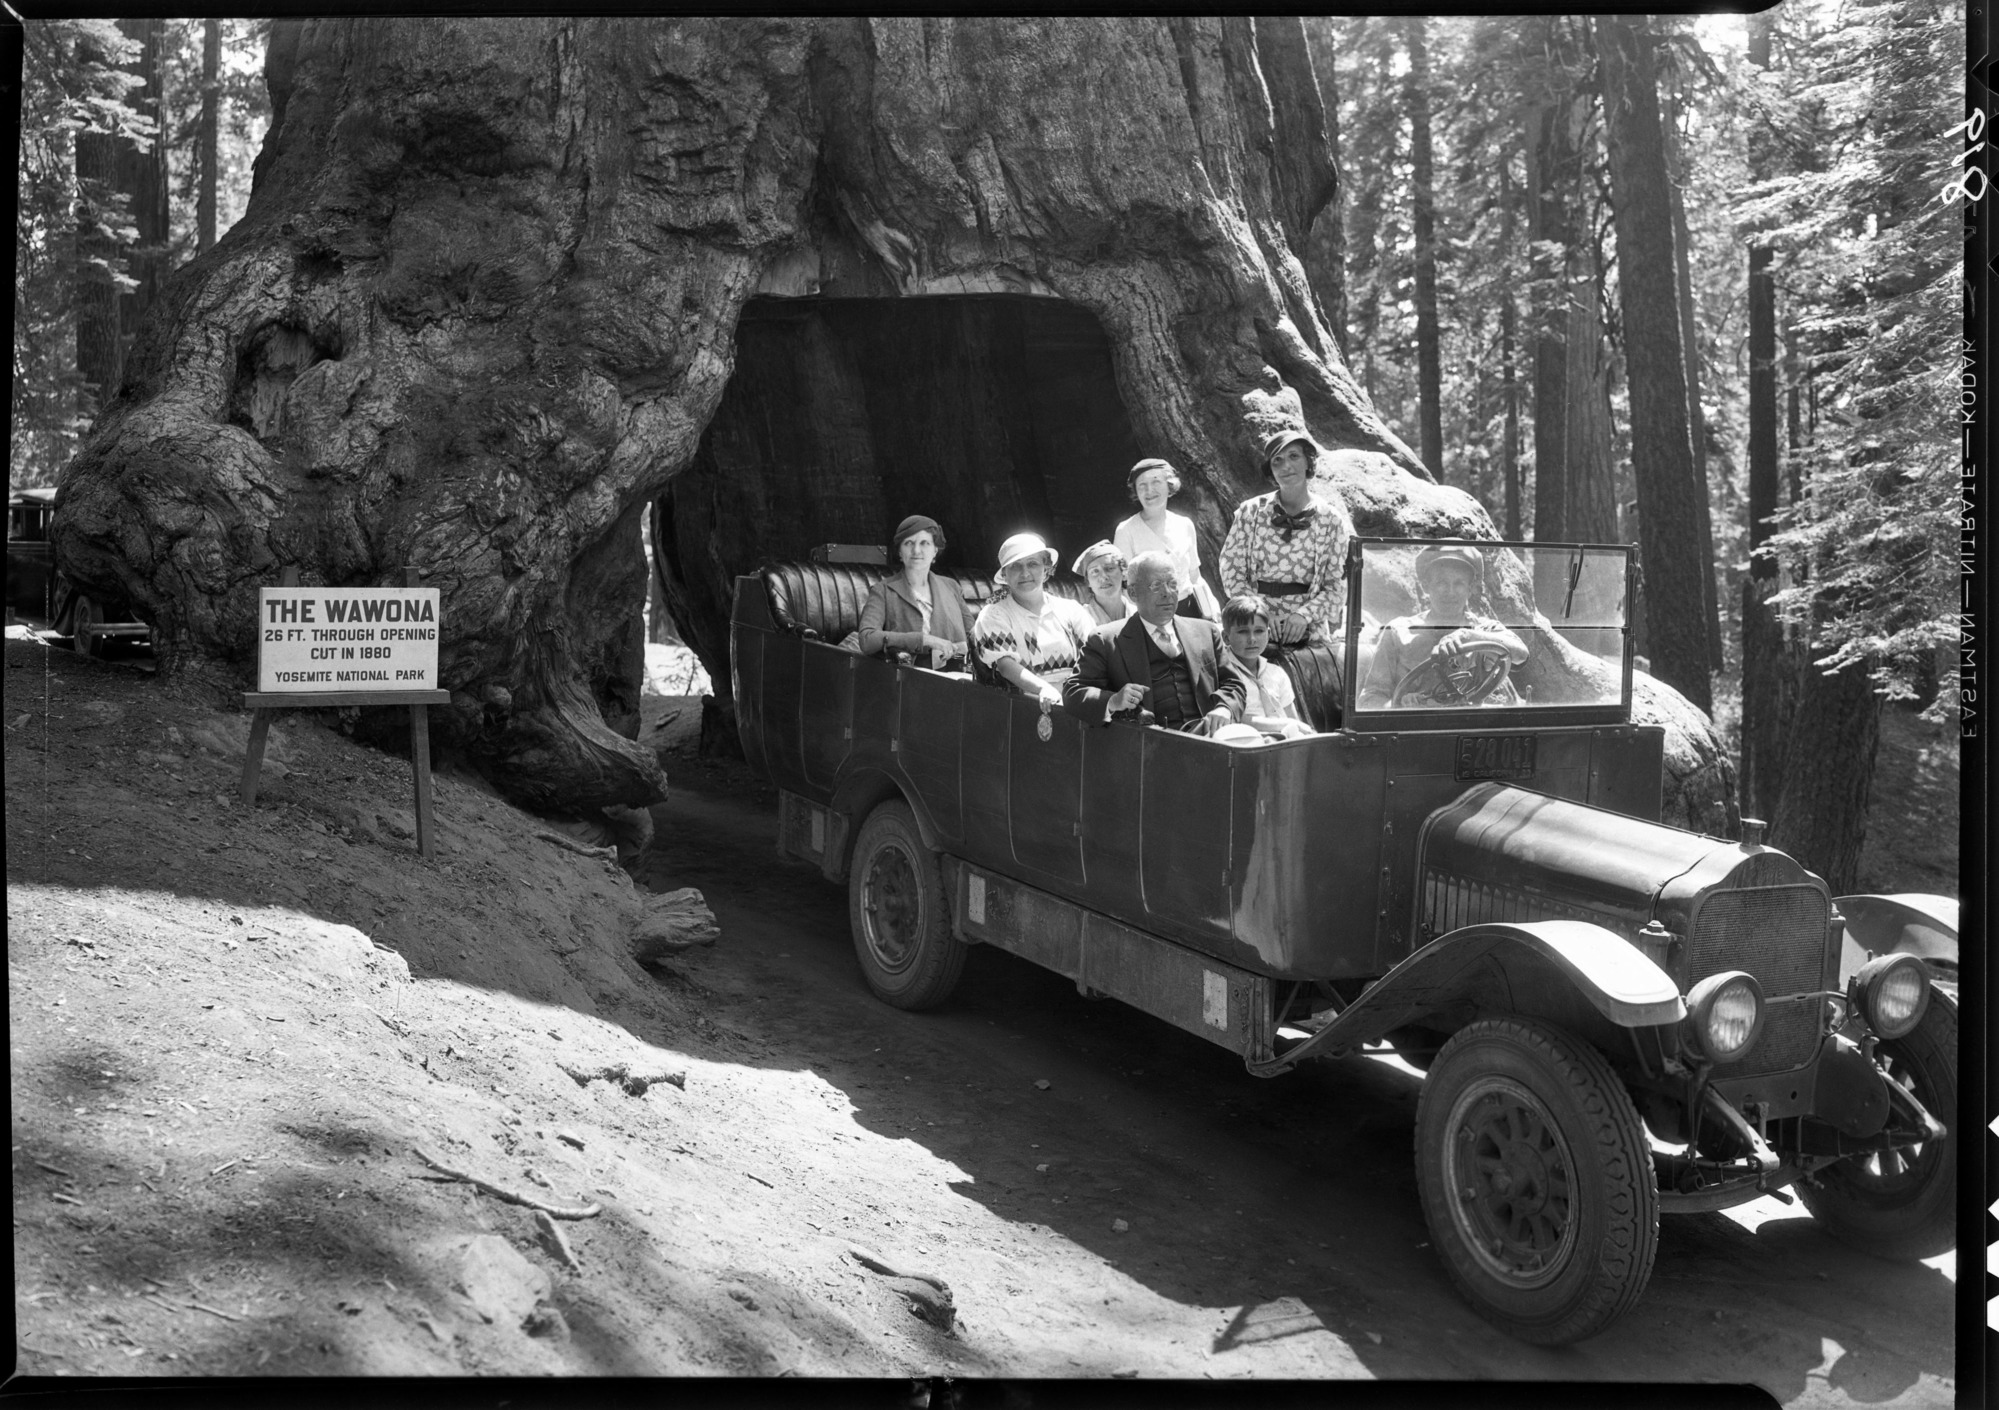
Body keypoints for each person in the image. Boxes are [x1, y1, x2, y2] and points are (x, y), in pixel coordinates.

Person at [1063, 551, 1248, 733]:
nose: (1167, 593)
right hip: (1148, 750)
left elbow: (1233, 684)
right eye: (1156, 585)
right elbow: (1073, 693)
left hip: (1209, 741)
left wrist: (1225, 708)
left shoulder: (1206, 632)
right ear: (1134, 593)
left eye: (1172, 584)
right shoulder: (1106, 640)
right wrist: (1113, 700)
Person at [1218, 429, 1356, 650]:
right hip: (1255, 625)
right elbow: (1230, 571)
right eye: (1277, 461)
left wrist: (1303, 616)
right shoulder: (1251, 511)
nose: (1286, 467)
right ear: (1271, 471)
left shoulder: (1330, 519)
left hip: (1307, 627)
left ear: (1308, 463)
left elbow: (1336, 588)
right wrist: (1261, 614)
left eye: (1294, 456)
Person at [1357, 544, 1529, 709]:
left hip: (1472, 728)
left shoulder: (1483, 629)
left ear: (1470, 589)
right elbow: (1370, 698)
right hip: (1417, 731)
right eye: (1441, 582)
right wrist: (1400, 706)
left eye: (1459, 583)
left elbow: (1520, 654)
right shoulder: (1398, 632)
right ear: (1426, 586)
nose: (1450, 592)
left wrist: (1468, 636)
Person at [971, 532, 1098, 704]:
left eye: (1032, 564)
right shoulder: (994, 615)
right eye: (1015, 566)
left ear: (1045, 569)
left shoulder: (1070, 610)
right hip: (1020, 706)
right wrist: (1044, 689)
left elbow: (1096, 655)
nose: (1025, 573)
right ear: (1004, 575)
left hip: (1075, 701)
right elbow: (1006, 666)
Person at [1113, 458, 1221, 620]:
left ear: (1169, 485)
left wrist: (1212, 607)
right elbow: (1126, 588)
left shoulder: (1185, 524)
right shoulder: (1126, 530)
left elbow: (1195, 576)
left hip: (1190, 612)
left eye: (1156, 482)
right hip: (1152, 615)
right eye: (1142, 485)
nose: (1149, 490)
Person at [858, 515, 971, 667]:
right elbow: (867, 639)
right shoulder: (883, 591)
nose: (916, 550)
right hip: (909, 679)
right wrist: (924, 640)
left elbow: (975, 635)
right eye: (908, 543)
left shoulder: (952, 587)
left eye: (925, 543)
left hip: (957, 676)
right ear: (899, 552)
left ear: (935, 550)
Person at [1220, 595, 1313, 739]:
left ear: (1268, 634)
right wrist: (1287, 724)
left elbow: (1293, 718)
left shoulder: (1276, 673)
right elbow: (1238, 717)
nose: (1252, 639)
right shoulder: (1223, 672)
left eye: (1259, 631)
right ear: (1226, 637)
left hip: (1282, 743)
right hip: (1245, 742)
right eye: (1243, 631)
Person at [1071, 540, 1131, 626]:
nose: (1103, 577)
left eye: (1109, 568)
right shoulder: (1080, 620)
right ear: (1088, 582)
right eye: (1095, 571)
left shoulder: (1140, 615)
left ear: (1124, 573)